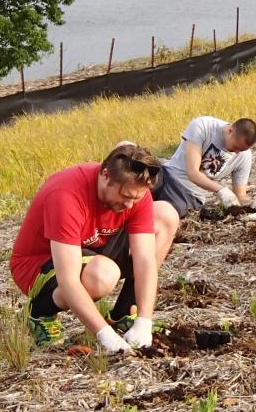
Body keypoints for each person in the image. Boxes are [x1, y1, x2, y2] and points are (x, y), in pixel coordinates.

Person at [9, 142, 180, 353]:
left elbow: (145, 261)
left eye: (135, 198)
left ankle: (127, 313)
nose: (129, 205)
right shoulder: (66, 194)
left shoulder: (135, 192)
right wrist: (106, 335)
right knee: (102, 275)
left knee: (166, 216)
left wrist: (145, 321)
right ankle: (39, 311)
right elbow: (69, 279)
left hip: (94, 246)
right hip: (40, 264)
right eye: (125, 196)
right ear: (105, 175)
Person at [155, 116, 256, 219]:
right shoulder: (203, 126)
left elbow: (240, 195)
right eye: (236, 147)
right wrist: (222, 190)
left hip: (188, 194)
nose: (237, 152)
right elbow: (193, 173)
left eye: (242, 150)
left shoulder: (244, 156)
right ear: (230, 131)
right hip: (166, 174)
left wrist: (251, 204)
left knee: (160, 213)